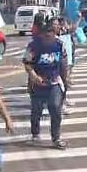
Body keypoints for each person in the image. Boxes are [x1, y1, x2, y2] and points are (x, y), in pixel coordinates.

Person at [23, 17, 70, 150]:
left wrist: (65, 80)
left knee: (55, 108)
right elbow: (27, 63)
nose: (49, 34)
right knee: (36, 110)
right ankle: (35, 133)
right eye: (46, 31)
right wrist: (34, 76)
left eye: (51, 31)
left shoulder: (59, 45)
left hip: (54, 82)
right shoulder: (33, 46)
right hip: (37, 83)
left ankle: (56, 137)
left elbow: (63, 64)